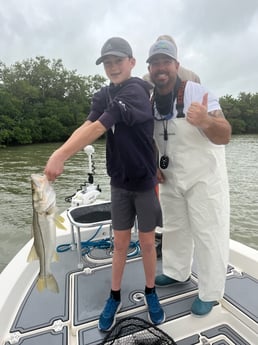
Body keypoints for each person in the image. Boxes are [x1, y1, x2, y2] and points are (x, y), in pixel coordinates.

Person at [44, 37, 165, 331]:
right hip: (119, 184)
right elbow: (88, 124)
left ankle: (150, 292)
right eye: (107, 63)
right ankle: (114, 296)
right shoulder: (103, 94)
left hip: (146, 182)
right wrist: (58, 153)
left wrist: (61, 155)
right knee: (120, 243)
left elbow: (100, 127)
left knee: (147, 243)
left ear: (132, 62)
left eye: (118, 61)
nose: (112, 68)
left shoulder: (136, 90)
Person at [146, 39, 231, 316]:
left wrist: (206, 120)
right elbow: (151, 138)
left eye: (166, 62)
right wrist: (153, 163)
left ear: (176, 66)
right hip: (171, 177)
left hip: (204, 177)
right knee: (174, 228)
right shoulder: (149, 100)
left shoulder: (196, 91)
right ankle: (176, 272)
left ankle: (210, 292)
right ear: (149, 68)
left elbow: (225, 134)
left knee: (209, 234)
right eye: (155, 63)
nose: (161, 68)